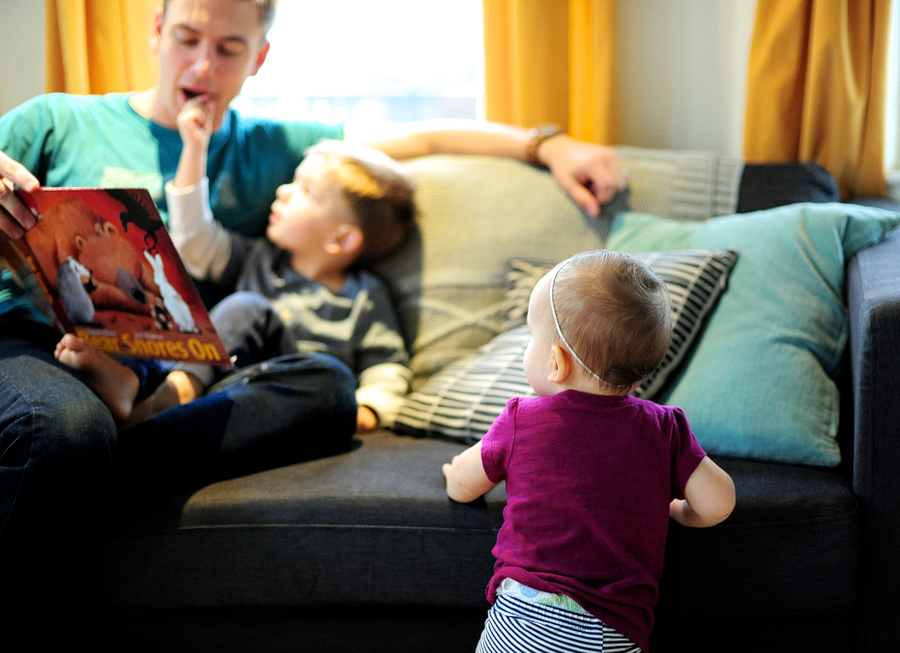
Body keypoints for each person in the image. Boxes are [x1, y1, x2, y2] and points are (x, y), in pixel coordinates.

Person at [0, 0, 628, 608]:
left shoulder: (271, 146)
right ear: (157, 31)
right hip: (48, 347)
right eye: (188, 39)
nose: (201, 67)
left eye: (228, 49)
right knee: (62, 429)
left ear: (260, 58)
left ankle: (116, 439)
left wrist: (546, 145)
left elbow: (423, 137)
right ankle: (93, 437)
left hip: (183, 370)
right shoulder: (56, 121)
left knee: (327, 386)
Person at [56, 98, 415, 436]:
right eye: (293, 180)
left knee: (324, 375)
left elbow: (387, 366)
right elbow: (194, 241)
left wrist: (369, 409)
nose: (284, 191)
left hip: (290, 396)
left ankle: (160, 406)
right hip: (223, 388)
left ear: (342, 239)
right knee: (171, 337)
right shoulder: (257, 258)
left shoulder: (363, 295)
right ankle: (136, 386)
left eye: (307, 191)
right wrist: (194, 149)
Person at [442, 250, 736, 653]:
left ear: (556, 363)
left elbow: (463, 485)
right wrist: (679, 511)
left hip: (525, 619)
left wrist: (452, 472)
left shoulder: (520, 418)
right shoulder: (665, 427)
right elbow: (718, 502)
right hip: (618, 631)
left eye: (532, 336)